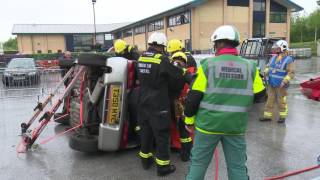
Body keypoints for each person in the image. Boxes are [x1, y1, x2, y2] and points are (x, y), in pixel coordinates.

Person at [184, 25, 265, 180]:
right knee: (237, 167)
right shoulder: (250, 67)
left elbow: (194, 97)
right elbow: (261, 95)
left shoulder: (208, 65)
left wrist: (189, 120)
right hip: (235, 126)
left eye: (215, 44)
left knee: (198, 165)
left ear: (219, 43)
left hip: (207, 126)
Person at [137, 32, 186, 176]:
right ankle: (163, 167)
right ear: (162, 46)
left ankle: (145, 161)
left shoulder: (141, 58)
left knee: (145, 133)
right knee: (162, 135)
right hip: (158, 105)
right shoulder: (162, 60)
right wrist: (187, 74)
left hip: (143, 102)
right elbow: (177, 75)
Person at [260, 40, 295, 123]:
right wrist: (266, 71)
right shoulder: (274, 57)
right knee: (270, 99)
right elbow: (269, 67)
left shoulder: (288, 59)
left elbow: (291, 73)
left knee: (281, 101)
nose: (275, 49)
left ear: (283, 48)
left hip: (281, 85)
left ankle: (282, 117)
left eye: (277, 48)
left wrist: (285, 81)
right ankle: (267, 116)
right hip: (271, 83)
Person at [170, 52, 195, 162]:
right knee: (183, 130)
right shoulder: (186, 72)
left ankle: (184, 153)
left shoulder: (169, 71)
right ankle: (186, 154)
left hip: (173, 103)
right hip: (179, 103)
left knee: (179, 128)